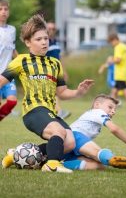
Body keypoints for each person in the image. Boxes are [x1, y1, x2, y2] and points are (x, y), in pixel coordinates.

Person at [0, 14, 94, 173]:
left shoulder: (55, 64)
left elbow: (62, 93)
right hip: (33, 111)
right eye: (38, 39)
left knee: (69, 143)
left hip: (51, 112)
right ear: (28, 42)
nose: (44, 42)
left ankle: (16, 154)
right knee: (59, 132)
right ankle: (52, 164)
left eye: (46, 38)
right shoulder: (21, 60)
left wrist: (79, 92)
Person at [3, 94, 126, 171]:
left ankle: (58, 164)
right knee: (99, 154)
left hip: (70, 147)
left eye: (114, 109)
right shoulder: (97, 112)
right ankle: (114, 159)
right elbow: (115, 129)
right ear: (97, 105)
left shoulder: (95, 114)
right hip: (74, 136)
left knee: (99, 166)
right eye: (110, 107)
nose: (112, 112)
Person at [46, 21, 71, 120]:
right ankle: (60, 111)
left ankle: (55, 112)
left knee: (54, 92)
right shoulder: (44, 41)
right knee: (53, 92)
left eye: (53, 29)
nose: (51, 31)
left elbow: (60, 57)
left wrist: (64, 71)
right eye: (49, 28)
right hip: (47, 70)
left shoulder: (56, 42)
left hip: (56, 71)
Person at [0, 0, 19, 121]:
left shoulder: (12, 29)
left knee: (12, 102)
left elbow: (13, 49)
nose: (3, 12)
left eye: (5, 9)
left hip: (8, 73)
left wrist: (21, 61)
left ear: (9, 12)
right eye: (0, 9)